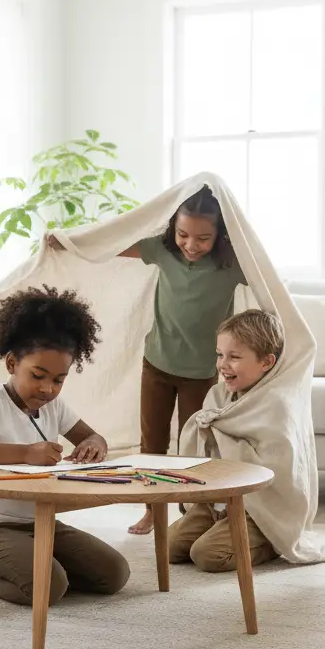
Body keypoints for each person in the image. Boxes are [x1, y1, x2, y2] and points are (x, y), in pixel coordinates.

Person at [0, 285, 130, 606]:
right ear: (11, 363)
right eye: (38, 375)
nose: (48, 388)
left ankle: (33, 566)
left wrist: (93, 445)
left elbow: (93, 436)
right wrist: (26, 453)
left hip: (41, 522)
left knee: (113, 573)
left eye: (59, 379)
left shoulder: (53, 408)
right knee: (50, 586)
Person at [119, 185, 246, 534]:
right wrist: (69, 241)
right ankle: (152, 511)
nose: (191, 245)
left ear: (220, 235)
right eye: (183, 234)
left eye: (203, 238)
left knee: (192, 447)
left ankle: (191, 512)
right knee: (152, 444)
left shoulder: (232, 263)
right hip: (157, 362)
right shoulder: (162, 252)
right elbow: (110, 244)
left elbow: (267, 277)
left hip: (201, 371)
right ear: (172, 227)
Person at [168, 310, 283, 572]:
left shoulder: (275, 403)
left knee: (208, 555)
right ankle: (216, 521)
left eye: (234, 357)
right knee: (169, 548)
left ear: (266, 362)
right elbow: (206, 446)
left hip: (255, 507)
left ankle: (271, 542)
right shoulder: (218, 395)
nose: (222, 364)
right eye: (220, 354)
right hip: (216, 498)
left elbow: (279, 466)